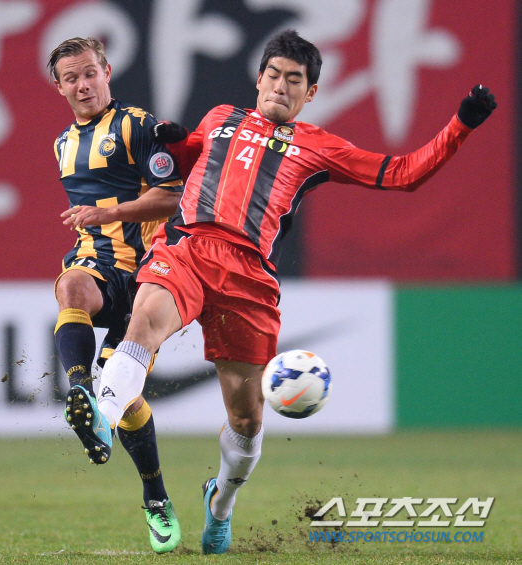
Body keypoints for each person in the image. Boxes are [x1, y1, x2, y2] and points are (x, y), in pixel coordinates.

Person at [66, 30, 497, 554]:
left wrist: (460, 125)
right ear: (259, 78)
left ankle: (220, 501)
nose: (280, 86)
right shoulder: (220, 117)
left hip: (248, 278)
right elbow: (190, 160)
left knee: (247, 424)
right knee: (143, 326)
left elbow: (403, 174)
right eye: (273, 75)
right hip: (188, 247)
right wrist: (178, 142)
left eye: (294, 80)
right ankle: (104, 419)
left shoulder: (319, 145)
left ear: (310, 93)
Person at [48, 37, 184, 554]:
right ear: (59, 88)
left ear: (107, 72)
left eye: (90, 73)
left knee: (124, 399)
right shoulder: (61, 145)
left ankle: (155, 496)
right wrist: (99, 224)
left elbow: (170, 199)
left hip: (151, 276)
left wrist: (110, 213)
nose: (83, 85)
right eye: (72, 78)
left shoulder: (138, 125)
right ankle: (79, 388)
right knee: (71, 285)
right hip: (100, 264)